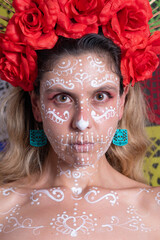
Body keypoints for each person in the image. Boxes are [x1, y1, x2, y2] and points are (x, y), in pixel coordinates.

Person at [0, 0, 160, 239]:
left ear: (121, 103)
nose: (82, 121)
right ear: (36, 104)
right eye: (63, 98)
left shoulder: (155, 209)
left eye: (101, 96)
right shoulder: (4, 210)